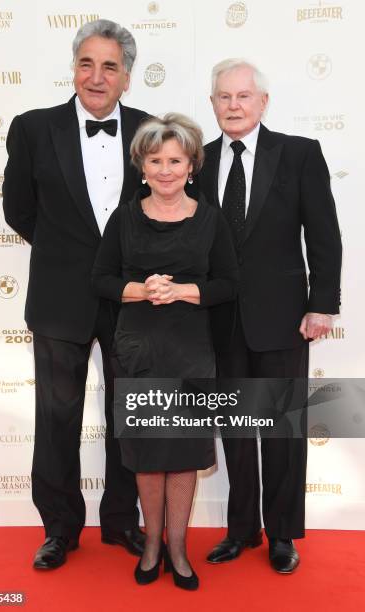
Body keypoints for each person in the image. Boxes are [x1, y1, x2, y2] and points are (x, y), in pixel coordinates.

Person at [3, 19, 149, 570]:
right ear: (73, 68)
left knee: (129, 415)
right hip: (60, 298)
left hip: (131, 300)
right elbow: (18, 210)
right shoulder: (33, 128)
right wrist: (68, 257)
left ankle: (120, 523)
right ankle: (60, 529)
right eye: (87, 63)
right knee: (56, 417)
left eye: (109, 66)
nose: (96, 75)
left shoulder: (148, 129)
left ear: (126, 78)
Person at [198, 59, 342, 573]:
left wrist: (322, 302)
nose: (233, 106)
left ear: (262, 102)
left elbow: (323, 233)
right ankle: (241, 529)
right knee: (236, 429)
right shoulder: (199, 159)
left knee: (282, 431)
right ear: (212, 103)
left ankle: (282, 534)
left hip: (283, 317)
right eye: (223, 97)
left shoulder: (299, 155)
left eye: (242, 96)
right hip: (219, 320)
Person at [91, 113, 238, 590]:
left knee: (183, 455)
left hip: (191, 350)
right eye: (156, 160)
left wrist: (183, 291)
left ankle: (177, 547)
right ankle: (151, 544)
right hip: (138, 350)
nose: (166, 169)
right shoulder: (125, 218)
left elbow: (228, 285)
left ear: (191, 166)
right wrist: (141, 288)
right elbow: (101, 279)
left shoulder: (210, 218)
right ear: (142, 165)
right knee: (148, 454)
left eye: (175, 160)